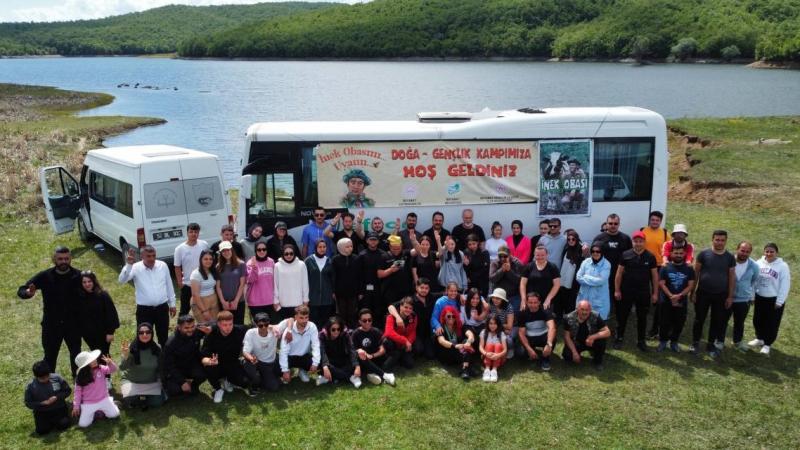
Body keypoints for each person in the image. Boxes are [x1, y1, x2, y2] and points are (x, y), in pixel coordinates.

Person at [18, 246, 83, 376]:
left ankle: (79, 384)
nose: (63, 261)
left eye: (66, 258)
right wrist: (28, 293)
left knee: (76, 356)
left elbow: (92, 290)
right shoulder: (45, 276)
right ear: (54, 259)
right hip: (51, 325)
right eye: (60, 259)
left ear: (70, 259)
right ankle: (48, 385)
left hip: (73, 325)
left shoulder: (78, 275)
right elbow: (22, 290)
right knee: (50, 356)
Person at [118, 245, 176, 347]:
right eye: (148, 256)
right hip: (144, 310)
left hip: (162, 308)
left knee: (163, 336)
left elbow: (169, 285)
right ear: (142, 257)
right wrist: (128, 265)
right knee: (143, 338)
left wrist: (172, 304)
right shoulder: (135, 267)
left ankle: (163, 359)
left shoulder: (163, 265)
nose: (152, 259)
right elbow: (122, 280)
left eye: (154, 255)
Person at [691, 230, 735, 357]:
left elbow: (732, 277)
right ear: (712, 239)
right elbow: (696, 273)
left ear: (726, 241)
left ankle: (710, 344)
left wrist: (730, 296)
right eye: (717, 239)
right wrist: (693, 292)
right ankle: (695, 343)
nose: (720, 242)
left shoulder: (730, 257)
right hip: (703, 293)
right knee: (699, 319)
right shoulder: (704, 254)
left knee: (716, 320)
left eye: (722, 240)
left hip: (721, 295)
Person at [613, 231, 658, 351]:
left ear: (644, 242)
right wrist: (617, 290)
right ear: (632, 242)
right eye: (635, 241)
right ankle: (619, 338)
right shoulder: (625, 254)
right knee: (622, 316)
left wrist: (655, 293)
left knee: (642, 317)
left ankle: (641, 341)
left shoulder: (650, 256)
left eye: (640, 241)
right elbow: (618, 274)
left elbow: (654, 277)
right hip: (626, 291)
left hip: (643, 292)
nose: (638, 243)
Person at [652, 223, 695, 339]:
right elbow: (665, 256)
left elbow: (689, 258)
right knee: (661, 310)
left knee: (678, 311)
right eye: (677, 234)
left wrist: (685, 266)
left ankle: (672, 333)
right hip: (669, 270)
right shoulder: (668, 244)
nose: (680, 236)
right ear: (674, 234)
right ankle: (655, 331)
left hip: (682, 271)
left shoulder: (689, 246)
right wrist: (667, 264)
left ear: (685, 235)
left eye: (682, 234)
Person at [750, 243, 791, 355]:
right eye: (767, 251)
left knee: (772, 322)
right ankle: (759, 338)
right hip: (759, 297)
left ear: (776, 253)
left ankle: (767, 344)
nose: (769, 254)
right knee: (757, 320)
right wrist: (752, 296)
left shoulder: (782, 266)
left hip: (774, 300)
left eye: (771, 251)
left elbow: (785, 285)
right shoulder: (758, 263)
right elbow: (753, 281)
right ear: (764, 252)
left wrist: (780, 301)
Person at [202, 311, 250, 403]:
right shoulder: (211, 335)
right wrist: (210, 361)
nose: (228, 327)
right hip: (217, 364)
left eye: (230, 324)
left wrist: (271, 327)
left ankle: (227, 380)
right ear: (219, 324)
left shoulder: (239, 330)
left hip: (232, 363)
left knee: (244, 383)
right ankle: (218, 389)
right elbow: (203, 357)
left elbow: (254, 329)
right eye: (224, 325)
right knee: (208, 367)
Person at [657, 246, 696, 352]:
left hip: (681, 301)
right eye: (676, 253)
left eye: (681, 253)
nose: (678, 255)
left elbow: (691, 285)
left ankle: (674, 342)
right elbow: (661, 283)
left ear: (684, 254)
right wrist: (671, 296)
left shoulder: (689, 268)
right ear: (671, 254)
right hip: (666, 300)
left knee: (679, 322)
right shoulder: (665, 267)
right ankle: (663, 341)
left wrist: (679, 296)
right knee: (664, 321)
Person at [723, 241, 759, 352]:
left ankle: (737, 342)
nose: (744, 253)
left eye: (747, 252)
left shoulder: (754, 266)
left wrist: (751, 296)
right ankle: (718, 340)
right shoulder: (728, 261)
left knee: (739, 323)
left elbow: (753, 282)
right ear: (737, 249)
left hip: (743, 300)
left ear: (750, 253)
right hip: (727, 297)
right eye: (742, 250)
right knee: (722, 320)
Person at [77, 271, 120, 365]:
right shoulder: (80, 297)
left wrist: (110, 332)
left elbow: (111, 313)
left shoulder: (103, 295)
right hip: (88, 334)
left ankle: (107, 377)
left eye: (89, 281)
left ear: (94, 281)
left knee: (104, 354)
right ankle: (99, 377)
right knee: (94, 354)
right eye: (84, 282)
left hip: (103, 333)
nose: (87, 284)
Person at [119, 323, 164, 409]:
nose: (145, 335)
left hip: (151, 381)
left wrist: (160, 381)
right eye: (141, 332)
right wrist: (125, 355)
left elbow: (160, 367)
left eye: (148, 332)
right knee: (129, 400)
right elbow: (122, 368)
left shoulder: (157, 348)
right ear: (137, 334)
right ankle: (142, 398)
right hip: (132, 381)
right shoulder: (131, 348)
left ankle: (142, 398)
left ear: (152, 333)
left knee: (158, 402)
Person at [162, 315, 209, 398]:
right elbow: (169, 366)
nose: (190, 330)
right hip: (177, 369)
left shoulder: (196, 331)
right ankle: (183, 385)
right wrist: (182, 382)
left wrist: (210, 329)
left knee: (204, 373)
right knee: (174, 390)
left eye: (192, 326)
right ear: (179, 327)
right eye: (186, 328)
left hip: (191, 365)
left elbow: (214, 323)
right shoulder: (171, 343)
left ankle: (193, 386)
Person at [72, 350, 120, 428]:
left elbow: (113, 370)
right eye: (91, 361)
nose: (94, 360)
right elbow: (77, 393)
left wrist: (110, 363)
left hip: (104, 399)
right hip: (89, 403)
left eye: (93, 359)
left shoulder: (101, 368)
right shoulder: (80, 378)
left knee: (115, 414)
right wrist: (76, 406)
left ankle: (111, 404)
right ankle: (98, 412)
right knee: (83, 424)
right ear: (85, 366)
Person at [25, 360, 71, 435]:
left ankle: (66, 411)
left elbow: (67, 390)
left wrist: (57, 397)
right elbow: (28, 403)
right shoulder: (31, 386)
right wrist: (41, 403)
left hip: (59, 407)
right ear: (36, 376)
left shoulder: (57, 378)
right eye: (42, 379)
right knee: (42, 431)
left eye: (47, 377)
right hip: (42, 411)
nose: (45, 380)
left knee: (64, 425)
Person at [351, 308, 396, 386]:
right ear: (360, 322)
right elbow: (352, 350)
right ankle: (385, 375)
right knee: (361, 355)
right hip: (363, 360)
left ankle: (372, 373)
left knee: (394, 353)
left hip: (375, 358)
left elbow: (383, 349)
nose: (368, 322)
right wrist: (360, 351)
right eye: (364, 320)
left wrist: (372, 356)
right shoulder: (355, 334)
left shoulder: (376, 331)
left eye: (370, 320)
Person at [593, 214, 632, 300]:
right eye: (610, 223)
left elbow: (631, 256)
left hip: (621, 273)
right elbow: (593, 257)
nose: (613, 226)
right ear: (606, 224)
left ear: (619, 224)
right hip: (603, 273)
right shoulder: (599, 238)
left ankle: (618, 312)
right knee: (604, 297)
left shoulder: (626, 238)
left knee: (620, 297)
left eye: (615, 223)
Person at [562, 300, 611, 369]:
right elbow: (567, 337)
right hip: (576, 341)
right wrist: (574, 353)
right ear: (577, 309)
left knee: (601, 340)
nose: (584, 312)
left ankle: (598, 361)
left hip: (591, 341)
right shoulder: (568, 318)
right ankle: (577, 354)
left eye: (587, 310)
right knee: (567, 356)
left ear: (590, 310)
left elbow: (607, 332)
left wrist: (592, 337)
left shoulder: (595, 316)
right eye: (582, 309)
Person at [279, 305, 321, 384]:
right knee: (277, 369)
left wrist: (315, 363)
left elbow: (316, 346)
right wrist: (285, 370)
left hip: (304, 356)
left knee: (320, 365)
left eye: (306, 317)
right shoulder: (288, 331)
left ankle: (302, 370)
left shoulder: (312, 327)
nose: (304, 320)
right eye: (301, 318)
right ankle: (288, 371)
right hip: (290, 357)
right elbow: (283, 351)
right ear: (296, 317)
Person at [174, 223, 209, 316]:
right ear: (187, 233)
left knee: (204, 309)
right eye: (191, 232)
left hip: (203, 283)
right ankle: (181, 329)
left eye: (196, 232)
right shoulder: (180, 249)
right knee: (184, 311)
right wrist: (180, 282)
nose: (194, 234)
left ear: (198, 233)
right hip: (187, 284)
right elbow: (177, 266)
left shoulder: (204, 244)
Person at [241, 313, 281, 393]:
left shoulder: (275, 330)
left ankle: (263, 377)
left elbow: (290, 320)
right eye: (260, 325)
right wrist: (251, 358)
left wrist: (273, 327)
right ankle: (254, 381)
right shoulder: (251, 333)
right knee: (251, 369)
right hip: (256, 361)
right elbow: (245, 351)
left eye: (266, 324)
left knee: (274, 386)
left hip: (270, 361)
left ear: (269, 322)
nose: (264, 327)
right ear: (255, 324)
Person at [434, 305, 476, 380]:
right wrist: (455, 346)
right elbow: (442, 341)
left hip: (459, 352)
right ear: (444, 317)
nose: (451, 318)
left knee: (466, 342)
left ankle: (464, 369)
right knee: (465, 350)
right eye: (448, 316)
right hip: (447, 354)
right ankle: (469, 367)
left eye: (453, 316)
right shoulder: (440, 328)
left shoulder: (459, 326)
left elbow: (470, 334)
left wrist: (468, 342)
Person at [318, 316, 362, 388]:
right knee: (322, 365)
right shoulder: (322, 335)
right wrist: (325, 367)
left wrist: (357, 366)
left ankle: (332, 378)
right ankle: (351, 378)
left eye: (338, 329)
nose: (336, 331)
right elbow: (322, 352)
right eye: (333, 329)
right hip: (330, 361)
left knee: (354, 360)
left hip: (342, 360)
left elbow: (351, 349)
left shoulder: (345, 334)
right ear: (328, 329)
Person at [517, 293, 557, 371]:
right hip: (530, 337)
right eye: (530, 303)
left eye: (535, 302)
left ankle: (546, 358)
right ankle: (533, 351)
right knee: (520, 353)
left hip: (543, 336)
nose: (533, 305)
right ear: (527, 303)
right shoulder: (522, 313)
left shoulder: (546, 311)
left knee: (553, 338)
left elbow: (552, 328)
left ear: (539, 302)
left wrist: (549, 344)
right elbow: (521, 333)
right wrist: (529, 349)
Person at [378, 235, 414, 317]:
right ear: (390, 246)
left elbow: (417, 251)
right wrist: (391, 270)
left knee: (405, 312)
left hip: (405, 291)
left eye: (398, 248)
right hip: (390, 292)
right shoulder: (384, 256)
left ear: (401, 246)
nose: (396, 251)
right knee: (390, 313)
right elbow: (379, 274)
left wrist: (414, 240)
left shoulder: (405, 253)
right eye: (394, 249)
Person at [519, 245, 561, 312]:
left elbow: (557, 285)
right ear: (534, 255)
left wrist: (548, 299)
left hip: (546, 302)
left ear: (546, 255)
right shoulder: (529, 266)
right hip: (530, 302)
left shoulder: (553, 267)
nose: (540, 257)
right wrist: (523, 300)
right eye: (538, 255)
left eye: (542, 255)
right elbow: (522, 284)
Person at [576, 243, 612, 320]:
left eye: (598, 251)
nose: (595, 253)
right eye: (593, 251)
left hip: (598, 301)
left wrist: (585, 276)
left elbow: (601, 281)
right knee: (581, 323)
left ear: (602, 252)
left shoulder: (606, 264)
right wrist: (594, 279)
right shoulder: (585, 262)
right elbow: (578, 277)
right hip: (583, 298)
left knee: (597, 326)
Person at [332, 237, 361, 328]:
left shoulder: (356, 258)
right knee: (342, 314)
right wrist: (333, 291)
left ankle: (352, 331)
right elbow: (334, 276)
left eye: (351, 246)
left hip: (353, 292)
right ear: (340, 247)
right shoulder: (335, 259)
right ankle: (342, 331)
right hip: (340, 292)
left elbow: (360, 276)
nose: (350, 248)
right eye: (347, 247)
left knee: (352, 313)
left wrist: (361, 291)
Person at [274, 244, 309, 320]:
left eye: (291, 253)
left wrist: (305, 300)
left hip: (299, 304)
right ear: (282, 254)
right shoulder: (277, 265)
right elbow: (275, 285)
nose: (289, 256)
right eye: (286, 254)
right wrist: (275, 301)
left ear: (294, 253)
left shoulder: (301, 264)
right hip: (283, 304)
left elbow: (305, 284)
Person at [216, 240, 247, 325]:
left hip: (238, 301)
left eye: (228, 250)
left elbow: (242, 284)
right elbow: (218, 287)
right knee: (225, 324)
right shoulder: (218, 266)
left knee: (238, 324)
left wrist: (236, 301)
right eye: (223, 251)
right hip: (224, 301)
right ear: (221, 253)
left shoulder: (241, 264)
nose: (226, 253)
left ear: (232, 250)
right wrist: (223, 302)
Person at [306, 239, 336, 327]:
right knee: (314, 323)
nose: (322, 249)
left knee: (326, 322)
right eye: (320, 247)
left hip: (327, 299)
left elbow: (333, 279)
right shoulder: (308, 261)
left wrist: (333, 292)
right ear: (315, 248)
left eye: (324, 247)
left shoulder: (329, 261)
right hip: (313, 299)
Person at [556, 229, 584, 320]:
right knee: (561, 298)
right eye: (569, 239)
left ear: (577, 239)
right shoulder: (566, 248)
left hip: (574, 281)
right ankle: (559, 317)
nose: (571, 241)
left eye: (573, 239)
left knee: (571, 300)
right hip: (563, 278)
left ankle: (570, 318)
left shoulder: (581, 250)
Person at [246, 241, 277, 324]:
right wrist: (254, 268)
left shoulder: (271, 262)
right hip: (255, 303)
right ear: (255, 251)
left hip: (270, 301)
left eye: (264, 249)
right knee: (259, 328)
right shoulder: (250, 263)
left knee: (271, 326)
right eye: (259, 250)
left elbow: (276, 281)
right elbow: (250, 280)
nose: (262, 251)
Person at [383, 297, 417, 372]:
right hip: (393, 343)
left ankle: (398, 358)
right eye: (406, 307)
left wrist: (409, 342)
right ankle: (391, 357)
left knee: (410, 365)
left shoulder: (413, 316)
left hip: (403, 345)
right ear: (400, 306)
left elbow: (413, 332)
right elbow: (389, 332)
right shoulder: (391, 316)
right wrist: (405, 341)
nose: (408, 310)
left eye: (410, 308)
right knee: (387, 342)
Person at [489, 246, 525, 313]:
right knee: (499, 318)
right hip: (499, 297)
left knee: (514, 317)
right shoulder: (495, 263)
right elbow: (492, 279)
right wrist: (502, 270)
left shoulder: (517, 263)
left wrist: (509, 271)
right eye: (500, 256)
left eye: (505, 256)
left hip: (513, 296)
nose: (502, 258)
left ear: (509, 255)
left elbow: (519, 281)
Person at [358, 232, 387, 314]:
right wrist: (360, 291)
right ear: (367, 241)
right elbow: (359, 275)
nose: (373, 242)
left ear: (378, 241)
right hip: (365, 289)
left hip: (379, 288)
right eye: (371, 240)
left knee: (379, 310)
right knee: (366, 310)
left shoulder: (383, 254)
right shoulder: (362, 255)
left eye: (375, 240)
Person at [190, 250, 220, 325]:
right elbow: (195, 294)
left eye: (210, 259)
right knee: (204, 326)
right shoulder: (196, 274)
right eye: (205, 259)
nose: (208, 261)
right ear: (201, 260)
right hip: (200, 303)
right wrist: (204, 311)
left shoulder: (213, 271)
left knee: (215, 325)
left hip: (213, 301)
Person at [487, 288, 515, 359]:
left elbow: (509, 326)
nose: (495, 300)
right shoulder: (491, 304)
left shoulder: (509, 307)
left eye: (498, 298)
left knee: (508, 338)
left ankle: (510, 349)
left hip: (502, 328)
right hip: (495, 327)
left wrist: (497, 325)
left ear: (502, 299)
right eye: (494, 297)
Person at [479, 315, 507, 382]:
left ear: (498, 324)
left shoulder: (501, 334)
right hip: (487, 357)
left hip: (498, 358)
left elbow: (505, 350)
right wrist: (486, 353)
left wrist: (498, 355)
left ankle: (494, 370)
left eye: (495, 324)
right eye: (491, 323)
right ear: (488, 324)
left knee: (497, 345)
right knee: (489, 345)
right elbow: (480, 347)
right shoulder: (484, 332)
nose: (492, 326)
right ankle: (487, 370)